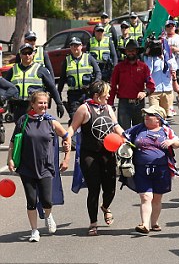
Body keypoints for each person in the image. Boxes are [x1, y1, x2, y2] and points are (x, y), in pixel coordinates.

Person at [6, 91, 71, 242]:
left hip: (46, 167)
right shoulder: (24, 120)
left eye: (45, 103)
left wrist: (66, 157)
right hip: (26, 167)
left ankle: (48, 215)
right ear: (33, 104)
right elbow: (12, 142)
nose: (43, 106)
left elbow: (66, 137)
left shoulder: (51, 122)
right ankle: (34, 230)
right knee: (31, 200)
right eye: (40, 103)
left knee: (47, 199)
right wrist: (10, 159)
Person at [66, 81, 125, 236]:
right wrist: (67, 138)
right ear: (97, 95)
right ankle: (93, 223)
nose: (108, 96)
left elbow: (115, 126)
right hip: (89, 154)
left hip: (108, 154)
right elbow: (73, 127)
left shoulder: (108, 108)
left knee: (110, 189)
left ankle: (105, 207)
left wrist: (125, 136)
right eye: (106, 93)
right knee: (94, 189)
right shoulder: (84, 109)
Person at [124, 105, 179, 234]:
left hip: (161, 169)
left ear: (158, 119)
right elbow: (124, 136)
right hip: (141, 169)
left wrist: (171, 142)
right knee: (146, 197)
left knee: (157, 198)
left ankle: (154, 223)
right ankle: (144, 224)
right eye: (145, 115)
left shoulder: (166, 130)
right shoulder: (138, 129)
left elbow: (178, 143)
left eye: (149, 115)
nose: (146, 117)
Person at [7, 43, 64, 122]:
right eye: (24, 53)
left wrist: (59, 103)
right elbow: (4, 86)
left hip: (35, 107)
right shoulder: (13, 70)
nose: (27, 55)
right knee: (20, 132)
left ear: (33, 54)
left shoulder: (41, 70)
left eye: (29, 53)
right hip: (18, 107)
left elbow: (52, 87)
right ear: (20, 55)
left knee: (34, 132)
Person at [109, 40, 155, 130]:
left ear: (137, 51)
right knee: (123, 132)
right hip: (123, 104)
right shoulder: (119, 67)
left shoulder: (143, 67)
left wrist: (145, 93)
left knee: (139, 132)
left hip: (139, 104)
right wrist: (110, 104)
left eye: (133, 50)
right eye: (128, 50)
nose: (131, 52)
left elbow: (151, 85)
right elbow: (113, 86)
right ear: (125, 52)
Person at [57, 37, 102, 121]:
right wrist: (58, 95)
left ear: (81, 46)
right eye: (73, 45)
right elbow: (62, 79)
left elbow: (98, 72)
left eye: (77, 45)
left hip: (87, 93)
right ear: (70, 47)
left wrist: (95, 85)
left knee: (90, 117)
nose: (75, 48)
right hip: (74, 95)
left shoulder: (89, 58)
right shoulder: (67, 60)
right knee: (75, 117)